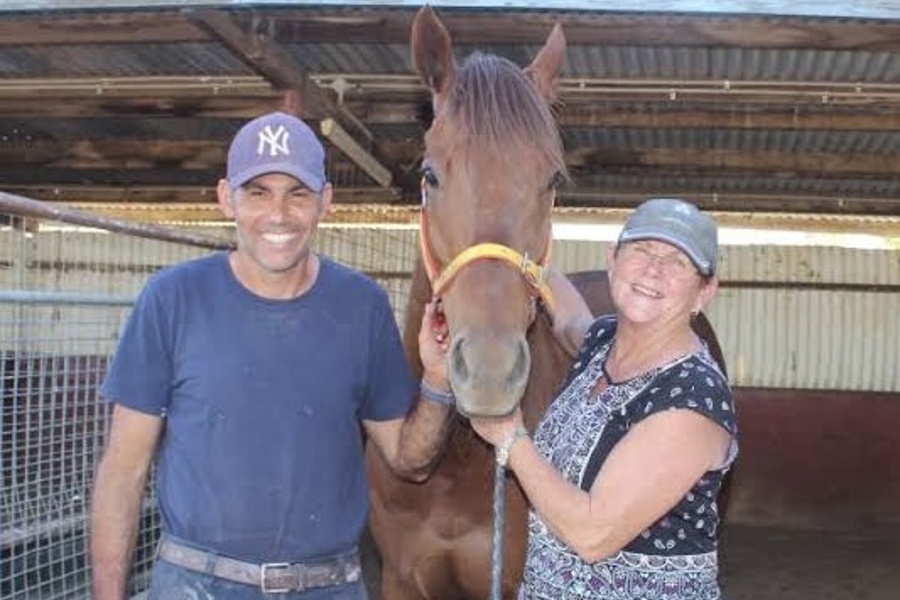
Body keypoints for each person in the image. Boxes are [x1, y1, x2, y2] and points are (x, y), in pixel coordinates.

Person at [90, 111, 454, 600]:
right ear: (226, 199)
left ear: (325, 202)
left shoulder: (361, 306)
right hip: (195, 583)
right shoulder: (172, 299)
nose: (278, 214)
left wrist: (438, 380)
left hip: (326, 586)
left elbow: (410, 461)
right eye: (258, 192)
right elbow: (123, 470)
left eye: (297, 193)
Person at [471, 198, 738, 599]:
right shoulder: (603, 342)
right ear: (613, 260)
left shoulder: (693, 397)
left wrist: (509, 436)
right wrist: (525, 260)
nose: (653, 269)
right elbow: (571, 320)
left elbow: (592, 534)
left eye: (678, 262)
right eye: (642, 250)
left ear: (705, 291)